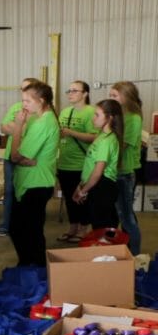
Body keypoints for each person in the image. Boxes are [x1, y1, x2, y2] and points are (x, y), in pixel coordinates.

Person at [10, 81, 60, 267]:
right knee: (23, 229)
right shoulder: (37, 119)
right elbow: (23, 155)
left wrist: (17, 126)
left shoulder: (44, 122)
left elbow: (16, 155)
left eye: (27, 101)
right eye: (23, 101)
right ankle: (28, 264)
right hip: (30, 181)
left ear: (41, 100)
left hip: (36, 183)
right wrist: (24, 158)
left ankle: (34, 267)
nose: (24, 105)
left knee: (28, 230)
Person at [0, 77, 41, 236]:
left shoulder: (40, 111)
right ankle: (6, 224)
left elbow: (34, 133)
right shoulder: (16, 107)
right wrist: (21, 128)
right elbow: (3, 127)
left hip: (29, 157)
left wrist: (16, 127)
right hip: (12, 156)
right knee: (9, 191)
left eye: (27, 88)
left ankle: (24, 225)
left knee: (28, 192)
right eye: (22, 89)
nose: (23, 92)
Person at [56, 80, 98, 242]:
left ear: (85, 94)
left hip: (81, 163)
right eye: (69, 90)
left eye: (75, 90)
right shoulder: (65, 111)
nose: (70, 93)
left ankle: (83, 228)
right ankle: (72, 227)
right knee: (68, 198)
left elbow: (95, 137)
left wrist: (71, 132)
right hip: (64, 162)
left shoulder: (90, 112)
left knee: (81, 198)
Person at [73, 99, 123, 231]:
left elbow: (97, 172)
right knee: (98, 227)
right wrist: (81, 185)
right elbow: (90, 166)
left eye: (97, 115)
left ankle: (106, 252)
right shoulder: (101, 136)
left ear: (109, 118)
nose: (93, 119)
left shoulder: (107, 140)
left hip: (103, 187)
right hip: (96, 186)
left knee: (102, 229)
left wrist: (83, 191)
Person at [109, 81, 144, 254]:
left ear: (126, 97)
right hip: (116, 170)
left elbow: (121, 144)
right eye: (111, 95)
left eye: (115, 96)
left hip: (125, 171)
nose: (111, 99)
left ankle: (135, 254)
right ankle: (126, 248)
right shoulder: (119, 115)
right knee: (123, 214)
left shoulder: (134, 118)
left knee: (127, 217)